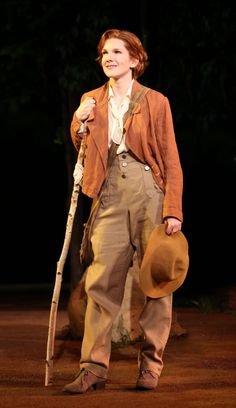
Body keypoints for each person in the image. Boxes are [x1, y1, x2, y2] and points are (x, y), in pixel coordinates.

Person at [63, 28, 183, 394]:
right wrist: (79, 120)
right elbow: (82, 146)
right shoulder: (91, 99)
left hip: (149, 192)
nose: (109, 57)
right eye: (104, 53)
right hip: (109, 194)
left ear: (135, 59)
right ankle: (93, 368)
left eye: (117, 51)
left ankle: (150, 366)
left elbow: (172, 160)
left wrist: (172, 209)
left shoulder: (156, 101)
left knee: (157, 281)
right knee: (101, 282)